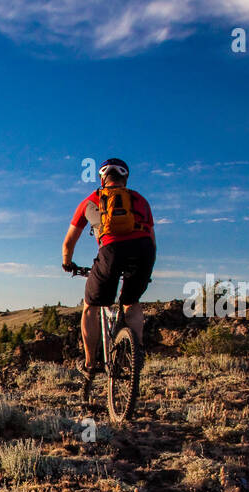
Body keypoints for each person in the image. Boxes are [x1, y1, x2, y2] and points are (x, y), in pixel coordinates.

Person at [61, 158, 156, 384]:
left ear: (102, 178)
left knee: (90, 306)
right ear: (125, 179)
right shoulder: (141, 200)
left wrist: (68, 262)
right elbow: (151, 239)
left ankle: (90, 363)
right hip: (145, 252)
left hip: (111, 252)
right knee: (131, 302)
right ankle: (137, 352)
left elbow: (69, 243)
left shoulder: (90, 201)